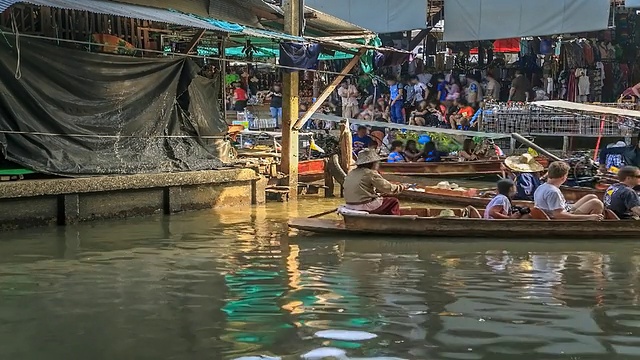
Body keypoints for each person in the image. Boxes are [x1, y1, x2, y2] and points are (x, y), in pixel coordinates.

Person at [533, 161, 604, 220]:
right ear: (563, 177)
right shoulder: (553, 192)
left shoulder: (541, 187)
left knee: (591, 197)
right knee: (597, 203)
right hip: (562, 219)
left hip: (566, 210)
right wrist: (589, 217)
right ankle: (591, 227)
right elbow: (558, 215)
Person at [343, 149, 406, 215]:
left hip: (350, 204)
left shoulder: (352, 172)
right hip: (363, 205)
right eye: (377, 162)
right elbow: (388, 187)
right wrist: (402, 187)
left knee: (383, 200)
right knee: (394, 202)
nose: (378, 164)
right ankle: (395, 222)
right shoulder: (370, 173)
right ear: (372, 163)